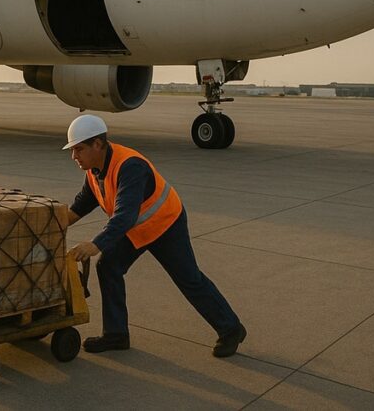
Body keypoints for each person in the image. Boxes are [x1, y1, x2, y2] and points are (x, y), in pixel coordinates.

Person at [63, 114, 246, 358]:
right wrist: (47, 224)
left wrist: (95, 244)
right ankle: (116, 335)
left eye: (78, 149)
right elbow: (80, 206)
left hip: (165, 224)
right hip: (137, 229)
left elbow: (124, 217)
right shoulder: (94, 170)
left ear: (98, 144)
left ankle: (231, 329)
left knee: (189, 279)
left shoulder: (130, 166)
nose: (74, 156)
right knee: (109, 266)